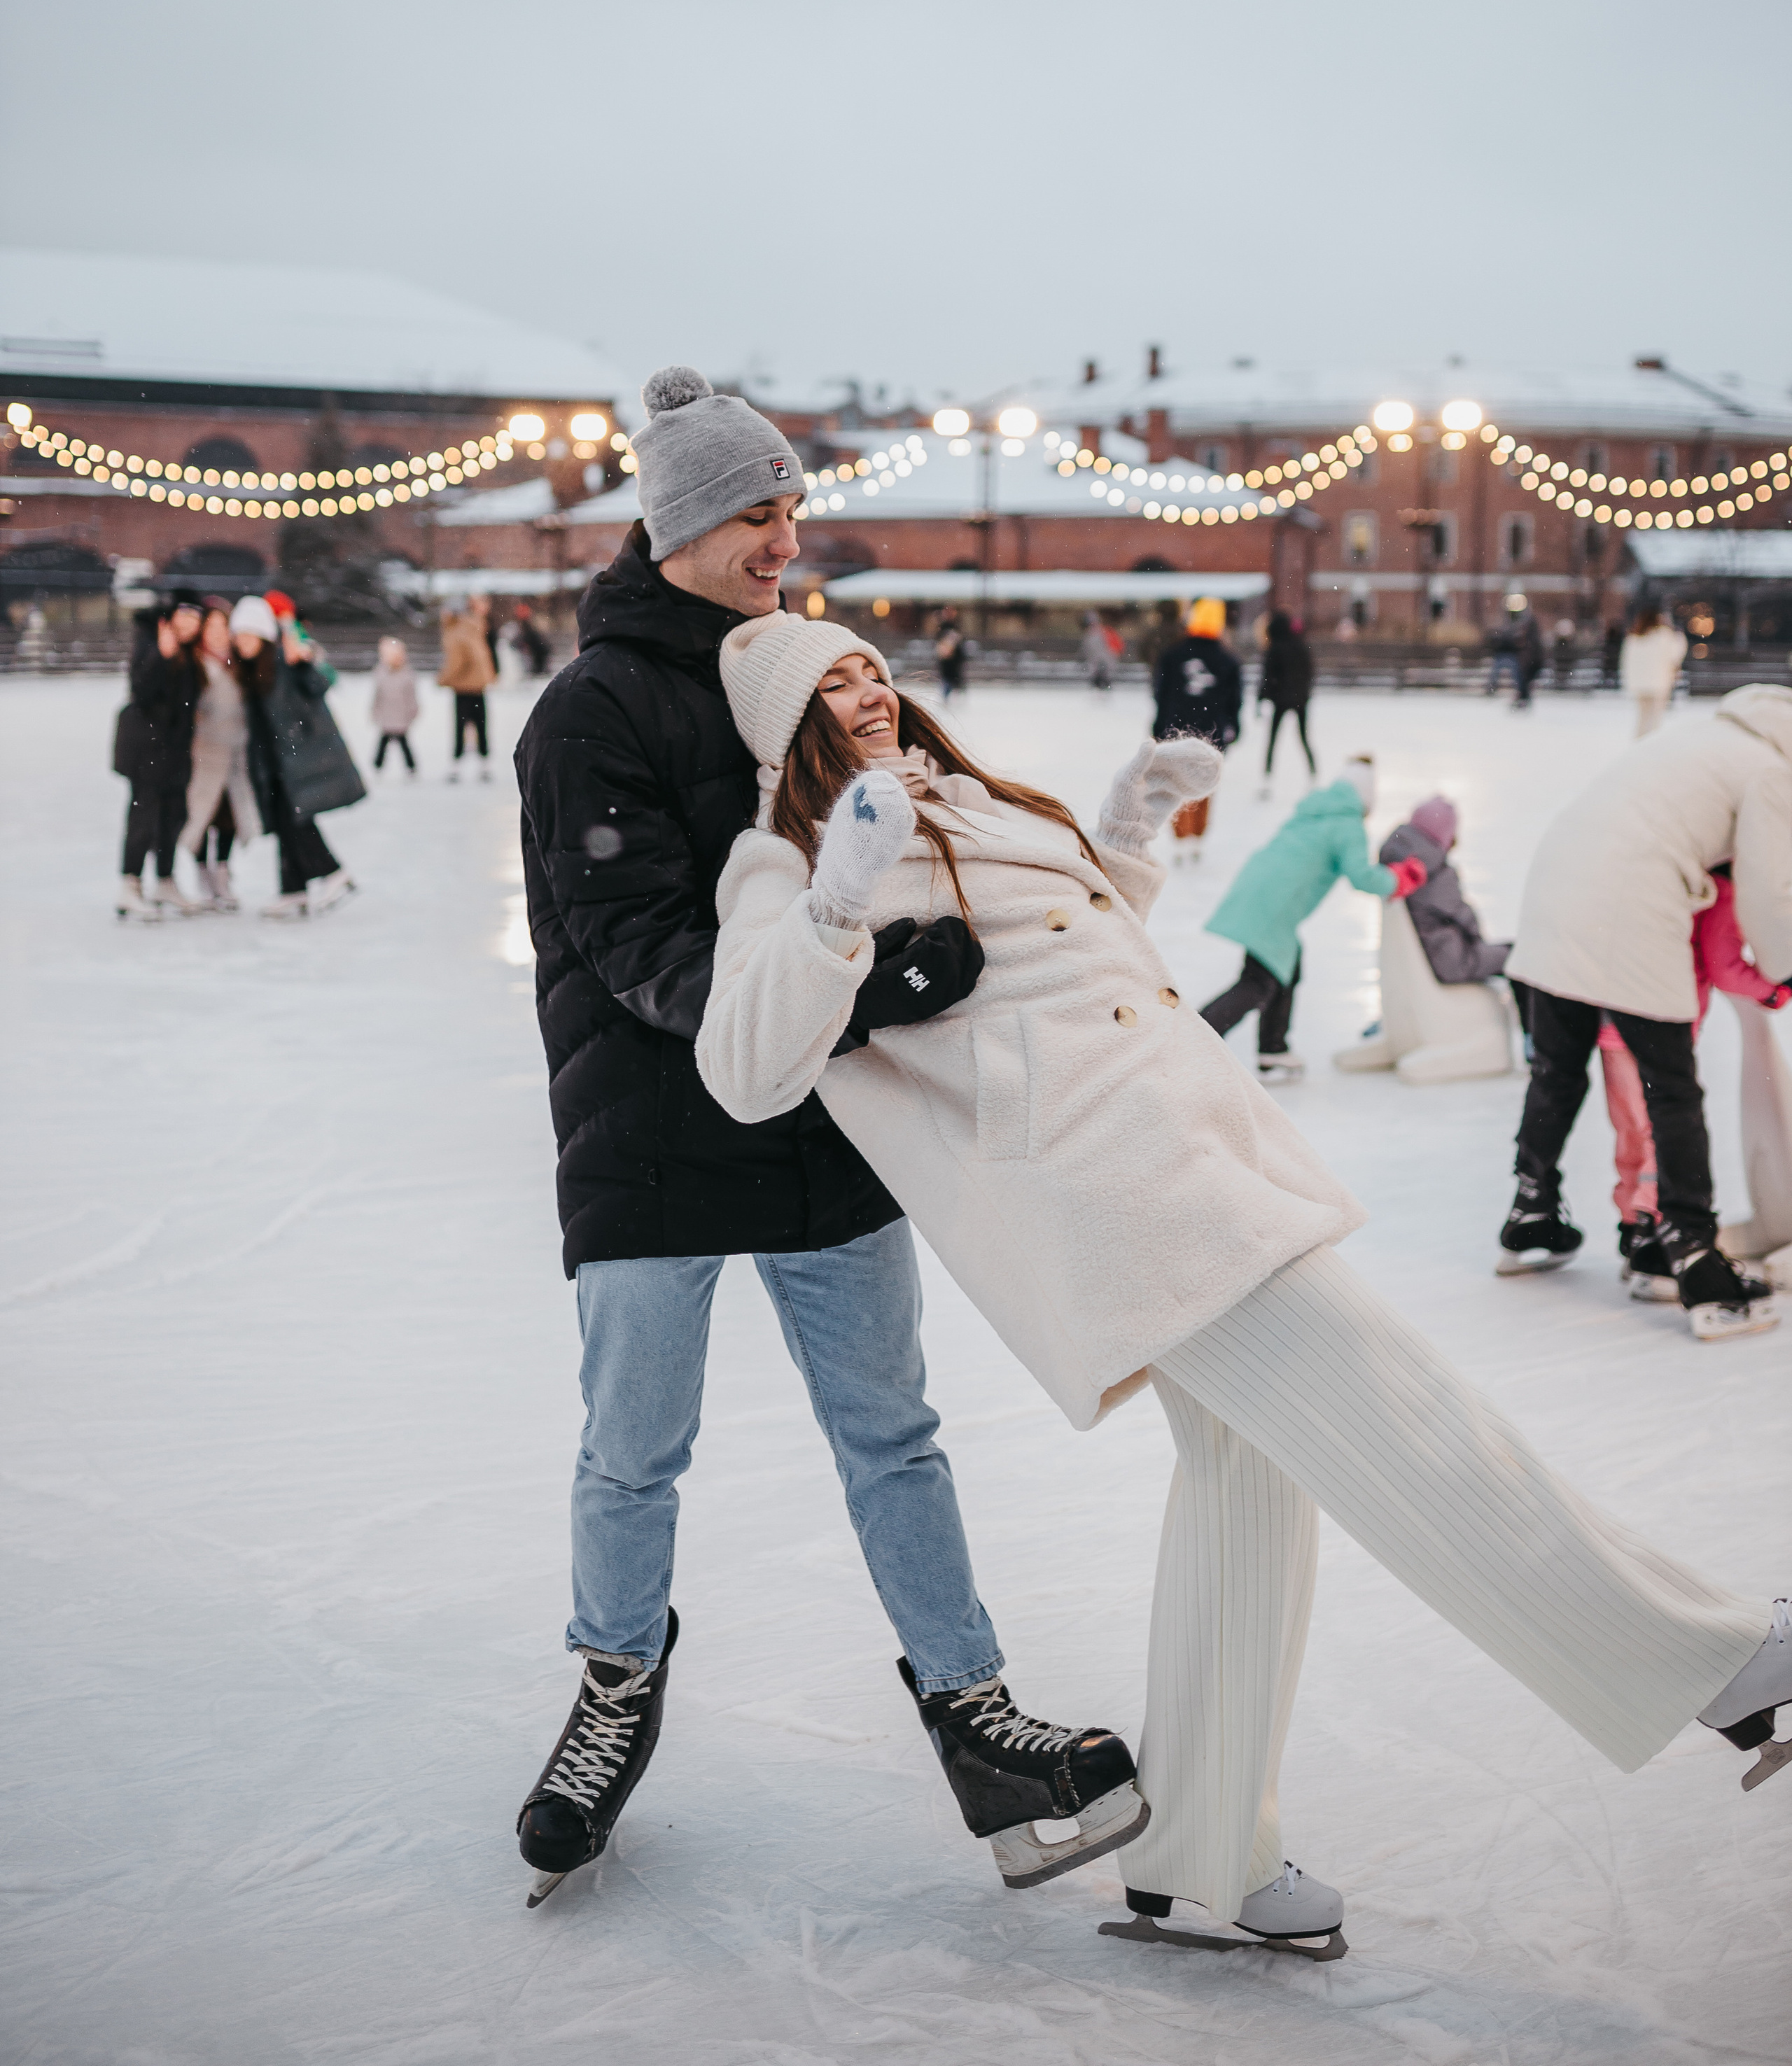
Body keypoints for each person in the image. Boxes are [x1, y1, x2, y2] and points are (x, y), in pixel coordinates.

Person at [695, 618, 1792, 1959]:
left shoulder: (957, 795)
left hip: (1188, 1145)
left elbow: (1062, 956)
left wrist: (1126, 837)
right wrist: (836, 897)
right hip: (1113, 1199)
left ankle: (1199, 1854)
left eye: (869, 667)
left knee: (1250, 1499)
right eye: (827, 684)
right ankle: (1708, 1655)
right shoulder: (784, 853)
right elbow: (745, 1069)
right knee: (1408, 1418)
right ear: (782, 724)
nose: (865, 691)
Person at [508, 367, 1142, 1911]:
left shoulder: (793, 669)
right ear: (677, 523)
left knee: (891, 1438)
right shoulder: (592, 711)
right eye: (754, 509)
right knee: (634, 1452)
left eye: (793, 504)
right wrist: (837, 1005)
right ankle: (611, 1691)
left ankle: (972, 1713)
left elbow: (896, 849)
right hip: (651, 1137)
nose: (785, 533)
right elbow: (633, 940)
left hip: (820, 1139)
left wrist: (951, 951)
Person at [1499, 684, 1792, 1336]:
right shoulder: (1774, 771)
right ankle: (1693, 1261)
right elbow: (1770, 899)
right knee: (1672, 1090)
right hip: (1629, 906)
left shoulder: (1704, 739)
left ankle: (1531, 1211)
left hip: (1553, 893)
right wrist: (1783, 971)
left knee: (1558, 1069)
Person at [1594, 868, 1791, 1298]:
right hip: (1660, 1021)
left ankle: (1634, 1227)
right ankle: (1653, 1232)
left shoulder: (1664, 879)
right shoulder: (1720, 892)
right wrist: (1774, 991)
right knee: (1657, 1127)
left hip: (1612, 1020)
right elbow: (1724, 966)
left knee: (1631, 1128)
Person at [1198, 757, 1426, 1080]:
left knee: (1286, 966)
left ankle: (1274, 1048)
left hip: (1256, 890)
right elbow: (1361, 876)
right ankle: (1197, 1033)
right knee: (1259, 981)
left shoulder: (1316, 811)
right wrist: (1398, 879)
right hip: (1274, 905)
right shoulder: (1347, 825)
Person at [229, 595, 364, 918]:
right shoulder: (248, 670)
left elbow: (319, 685)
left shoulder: (283, 661)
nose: (243, 642)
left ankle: (335, 874)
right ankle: (293, 890)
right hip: (271, 761)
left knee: (297, 820)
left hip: (295, 757)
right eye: (239, 636)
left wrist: (303, 662)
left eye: (250, 635)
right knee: (284, 823)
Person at [113, 591, 204, 920]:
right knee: (144, 817)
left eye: (197, 620)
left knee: (174, 815)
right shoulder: (151, 643)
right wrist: (162, 658)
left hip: (176, 750)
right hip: (146, 749)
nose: (191, 626)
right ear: (172, 617)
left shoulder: (189, 651)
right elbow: (141, 692)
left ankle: (165, 880)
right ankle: (130, 884)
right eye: (186, 617)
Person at [176, 596, 260, 907]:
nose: (216, 633)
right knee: (201, 815)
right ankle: (202, 874)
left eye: (222, 626)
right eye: (210, 627)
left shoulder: (240, 664)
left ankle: (222, 873)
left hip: (235, 754)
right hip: (202, 754)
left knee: (229, 817)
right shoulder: (194, 663)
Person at [1378, 795, 1510, 984]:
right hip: (1450, 960)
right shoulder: (1435, 872)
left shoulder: (1398, 862)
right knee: (1516, 956)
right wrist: (1477, 941)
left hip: (1431, 953)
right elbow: (1462, 915)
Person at [1152, 599, 1242, 863]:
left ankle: (1180, 836)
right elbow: (1234, 701)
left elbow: (1161, 694)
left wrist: (1159, 728)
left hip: (1175, 729)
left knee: (1176, 784)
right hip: (1211, 733)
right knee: (1204, 785)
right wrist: (1234, 727)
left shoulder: (1172, 654)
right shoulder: (1227, 659)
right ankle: (1198, 838)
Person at [1255, 607, 1315, 796]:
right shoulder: (1300, 646)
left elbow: (1268, 677)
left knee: (1273, 740)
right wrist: (1303, 693)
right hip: (1300, 699)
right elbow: (1309, 673)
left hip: (1280, 700)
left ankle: (1267, 779)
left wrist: (1262, 698)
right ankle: (1313, 776)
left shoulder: (1275, 648)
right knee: (1304, 739)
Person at [438, 598, 496, 780]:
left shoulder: (456, 632)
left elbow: (458, 662)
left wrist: (443, 679)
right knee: (481, 725)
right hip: (479, 685)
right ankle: (484, 764)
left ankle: (456, 766)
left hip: (463, 687)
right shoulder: (472, 626)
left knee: (461, 726)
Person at [1620, 602, 1686, 738]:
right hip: (1658, 684)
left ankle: (1638, 745)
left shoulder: (1633, 637)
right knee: (1655, 721)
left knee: (1642, 719)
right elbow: (1676, 653)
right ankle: (1650, 749)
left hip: (1639, 684)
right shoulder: (1664, 635)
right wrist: (1679, 636)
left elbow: (1625, 661)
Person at [370, 635, 421, 775]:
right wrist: (375, 711)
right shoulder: (381, 674)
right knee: (384, 741)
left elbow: (412, 697)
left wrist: (413, 711)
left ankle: (411, 766)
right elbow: (377, 696)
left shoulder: (407, 675)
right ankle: (378, 766)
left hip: (401, 716)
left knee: (403, 742)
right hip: (387, 715)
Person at [1080, 610, 1121, 690]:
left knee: (1102, 682)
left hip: (1102, 665)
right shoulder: (1096, 633)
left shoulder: (1099, 633)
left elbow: (1102, 652)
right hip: (1100, 666)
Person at [933, 614, 967, 703]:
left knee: (954, 682)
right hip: (948, 667)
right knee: (948, 682)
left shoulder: (957, 647)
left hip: (953, 667)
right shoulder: (944, 634)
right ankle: (948, 698)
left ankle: (956, 698)